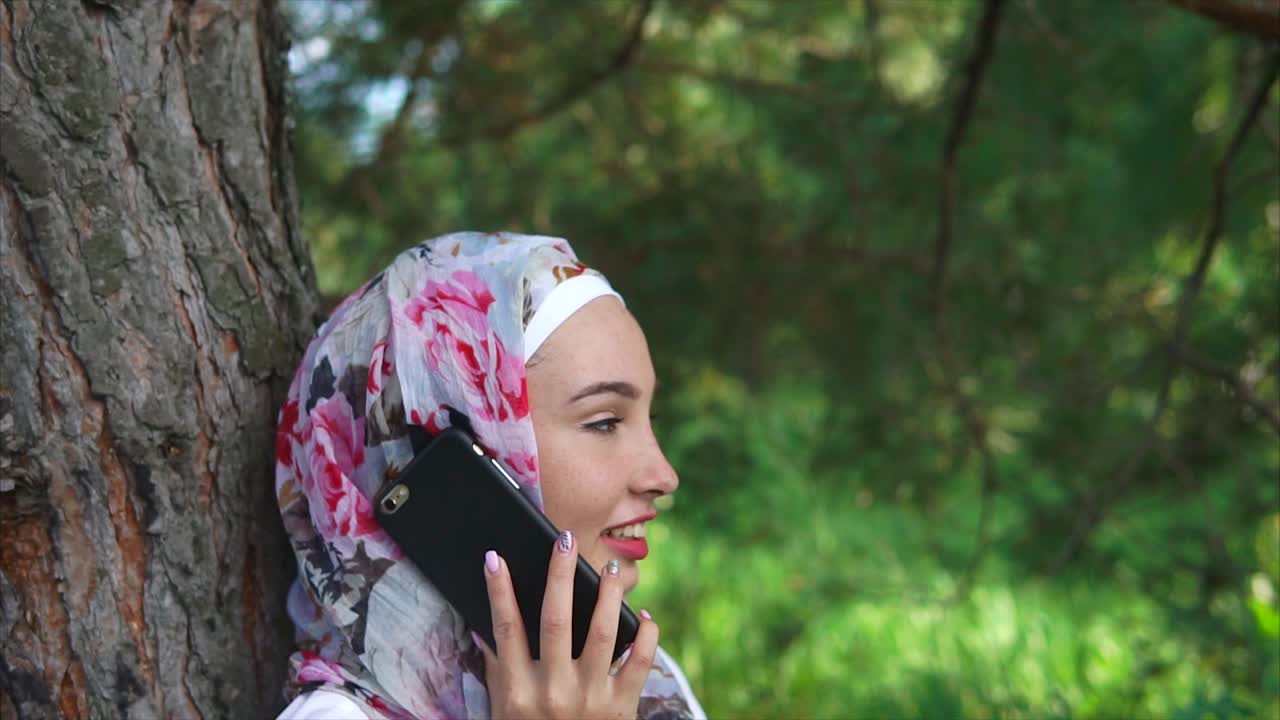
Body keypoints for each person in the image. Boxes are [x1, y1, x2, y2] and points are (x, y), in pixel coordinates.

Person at [274, 232, 706, 719]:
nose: (663, 476)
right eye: (605, 422)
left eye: (650, 418)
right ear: (449, 461)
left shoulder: (643, 685)